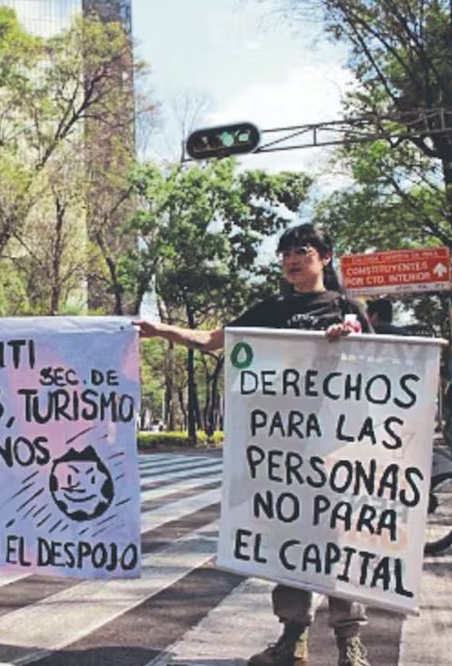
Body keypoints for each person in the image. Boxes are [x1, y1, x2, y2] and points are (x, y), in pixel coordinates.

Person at [137, 223, 372, 666]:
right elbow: (211, 341)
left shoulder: (347, 308)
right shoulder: (269, 310)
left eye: (301, 249)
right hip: (282, 451)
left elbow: (378, 369)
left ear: (324, 256)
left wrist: (353, 337)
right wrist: (159, 330)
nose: (290, 258)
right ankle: (292, 639)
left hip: (337, 450)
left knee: (340, 543)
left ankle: (349, 643)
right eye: (284, 252)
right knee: (290, 541)